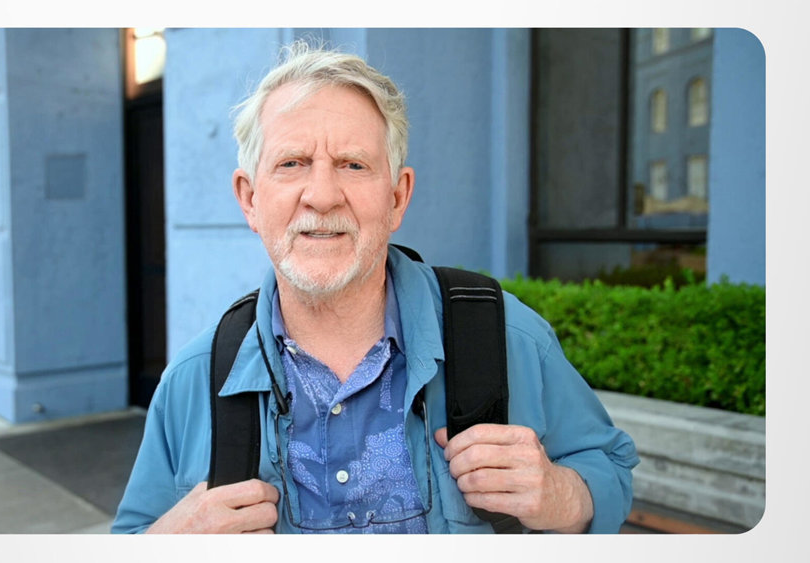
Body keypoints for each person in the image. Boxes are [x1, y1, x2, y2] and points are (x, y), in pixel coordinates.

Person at [112, 40, 639, 534]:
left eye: (353, 165)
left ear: (397, 197)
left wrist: (560, 495)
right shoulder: (193, 379)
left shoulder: (506, 337)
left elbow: (609, 466)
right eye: (292, 163)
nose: (322, 196)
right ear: (250, 199)